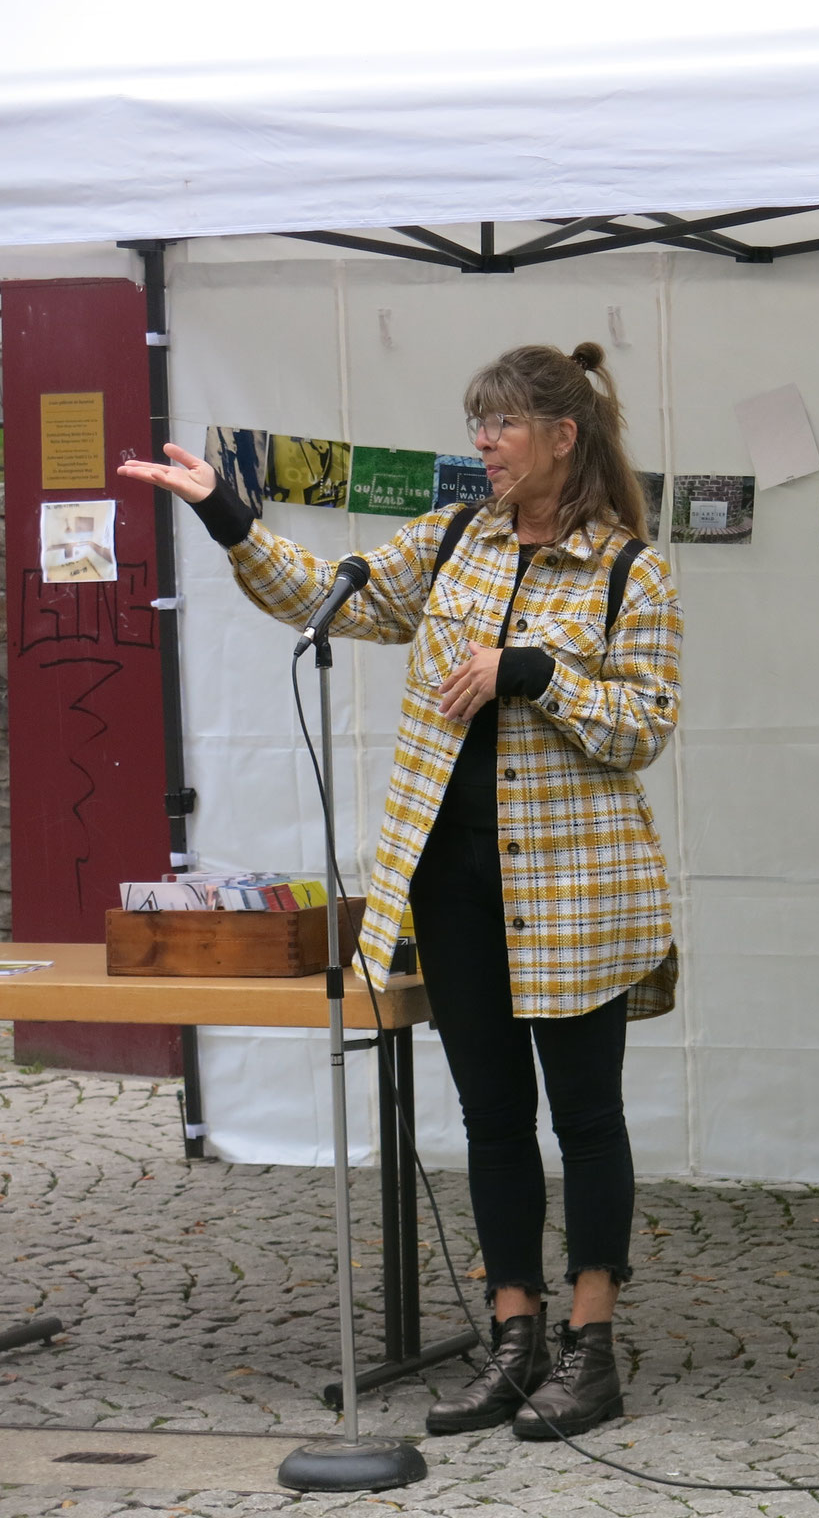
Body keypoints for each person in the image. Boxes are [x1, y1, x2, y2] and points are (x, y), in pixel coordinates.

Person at [118, 342, 682, 1441]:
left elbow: (646, 724)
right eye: (475, 424)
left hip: (575, 889)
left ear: (562, 437)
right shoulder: (453, 540)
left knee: (587, 1115)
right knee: (490, 1114)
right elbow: (330, 600)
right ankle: (513, 1340)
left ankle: (592, 1346)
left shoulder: (629, 571)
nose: (481, 443)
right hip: (449, 885)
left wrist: (536, 673)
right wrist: (226, 516)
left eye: (500, 425)